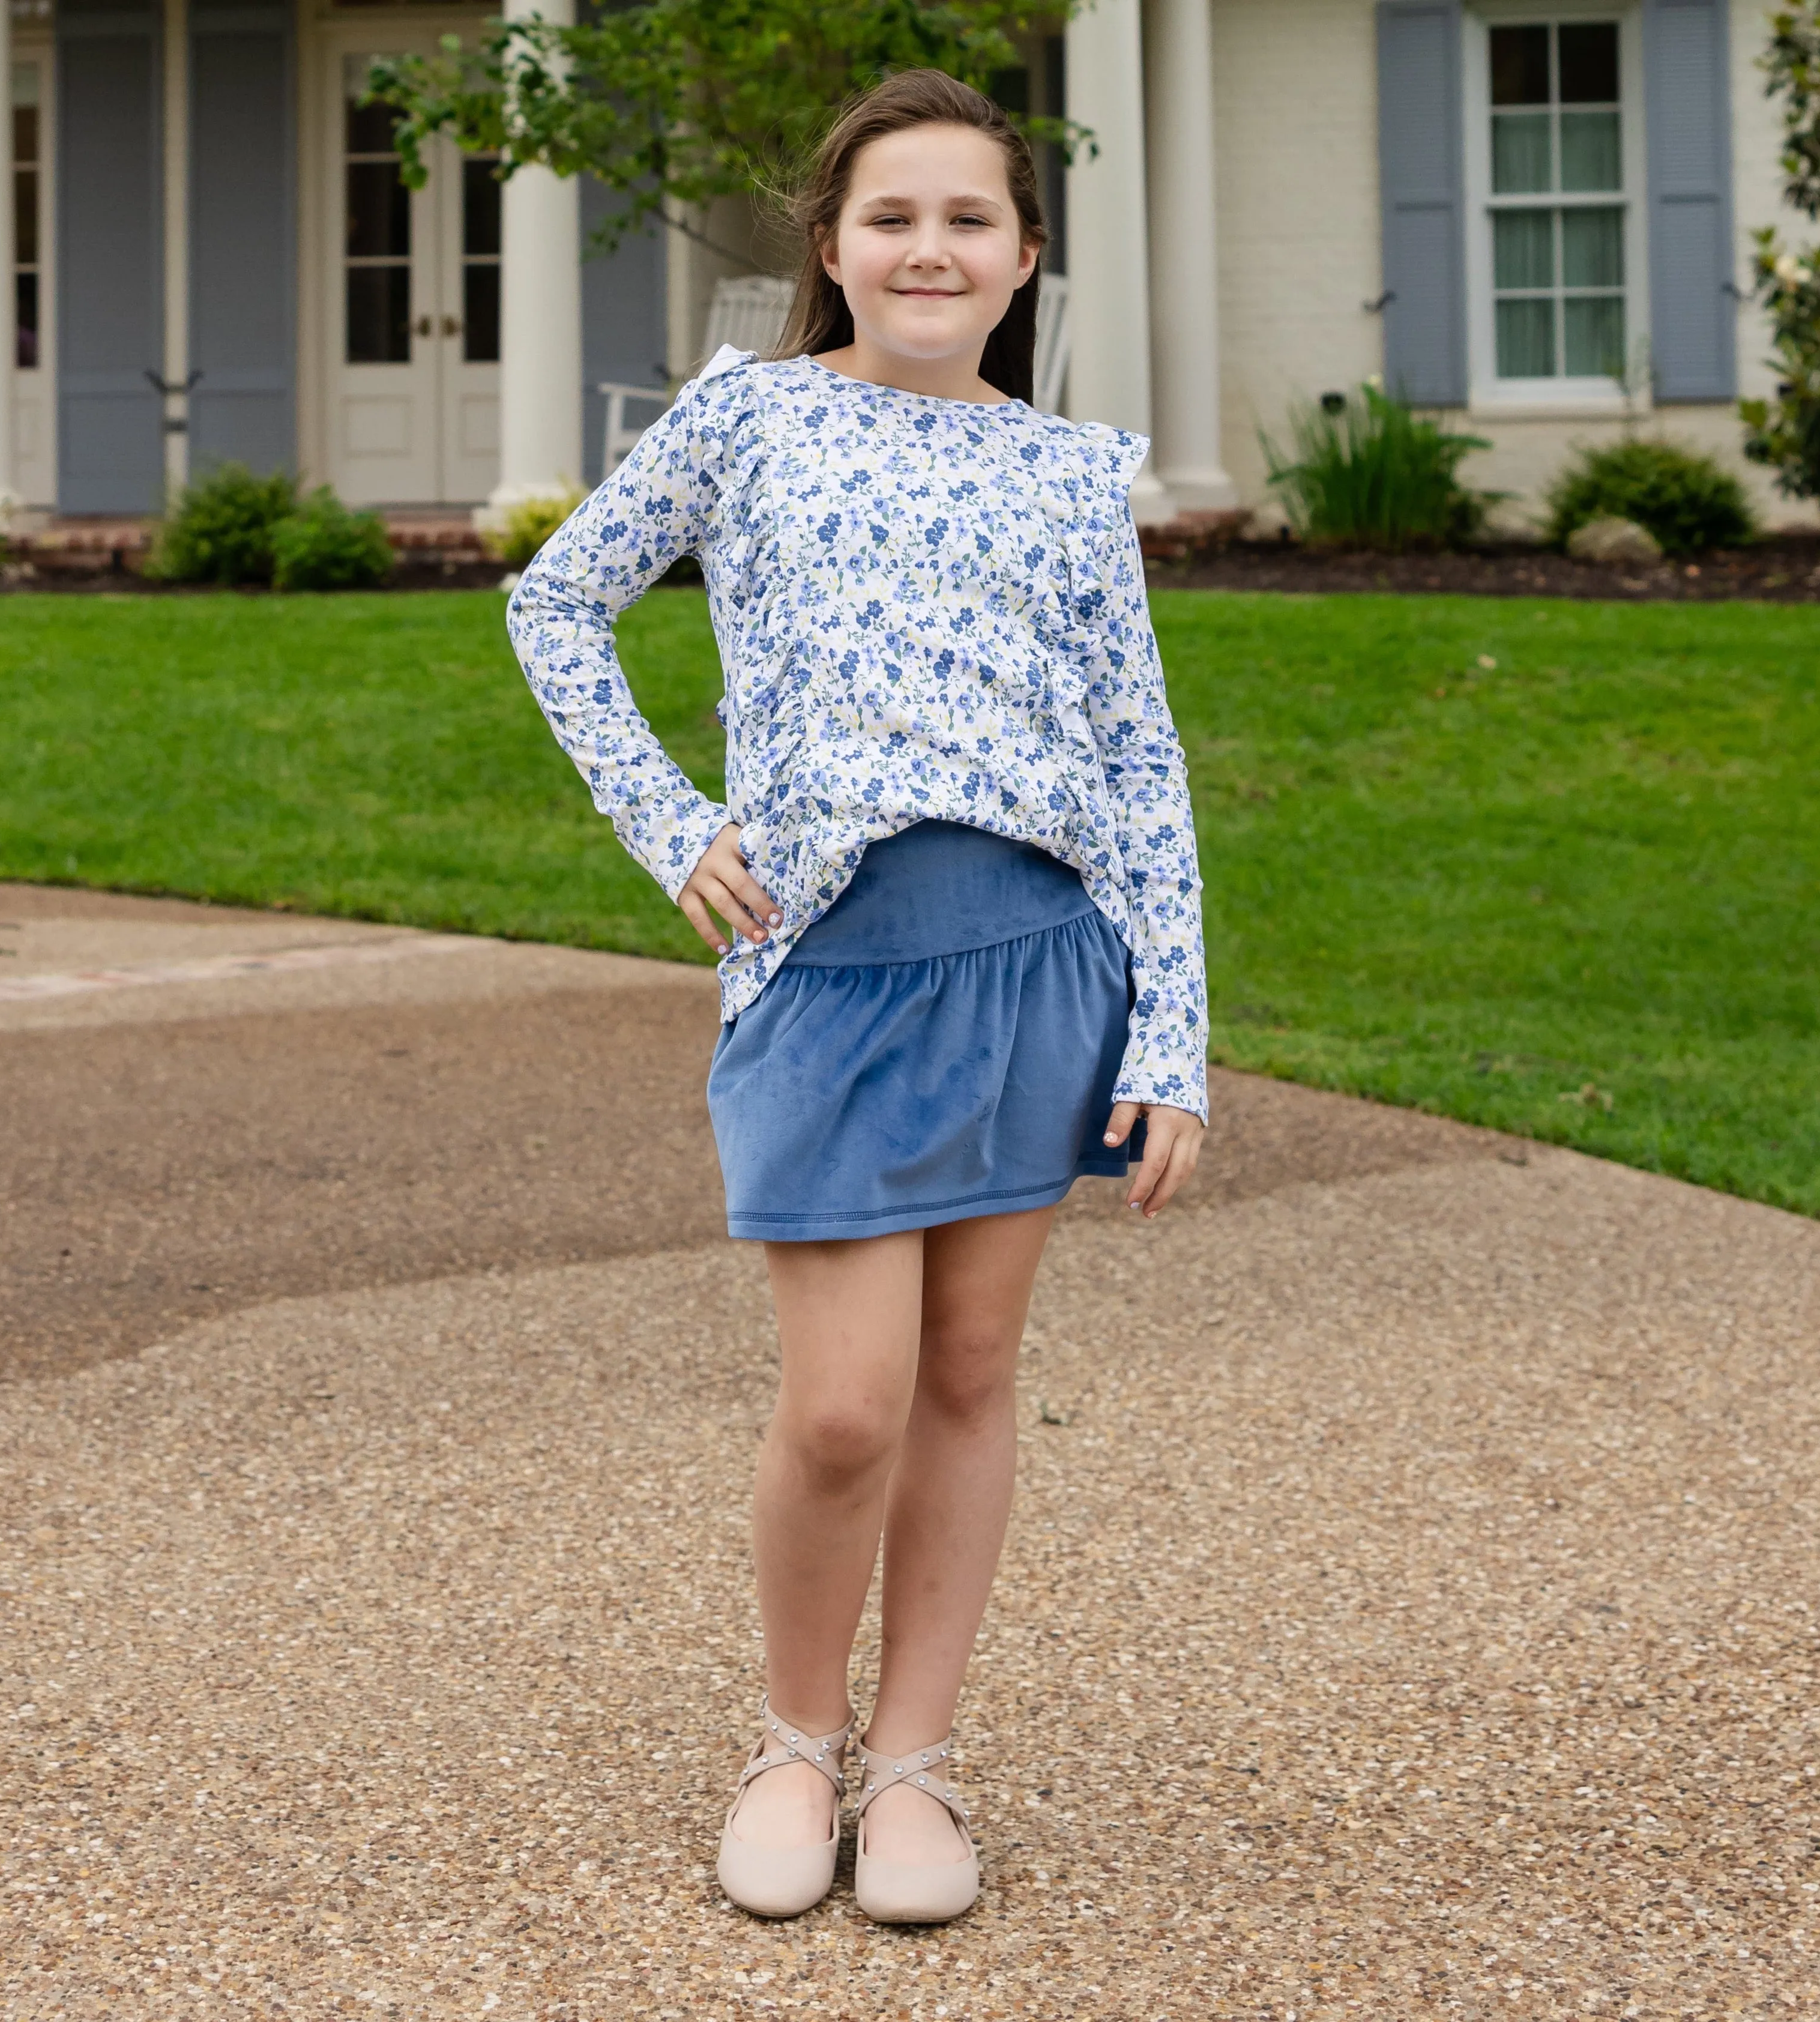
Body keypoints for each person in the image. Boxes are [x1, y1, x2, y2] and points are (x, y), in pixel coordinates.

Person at [507, 67, 1207, 1926]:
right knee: (842, 1410)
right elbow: (553, 606)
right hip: (826, 970)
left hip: (1042, 958)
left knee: (971, 1377)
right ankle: (793, 1744)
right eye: (892, 215)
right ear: (831, 246)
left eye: (970, 217)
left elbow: (1137, 758)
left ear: (1024, 256)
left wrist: (1175, 1039)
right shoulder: (747, 421)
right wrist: (673, 828)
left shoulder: (1068, 470)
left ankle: (914, 1771)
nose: (930, 247)